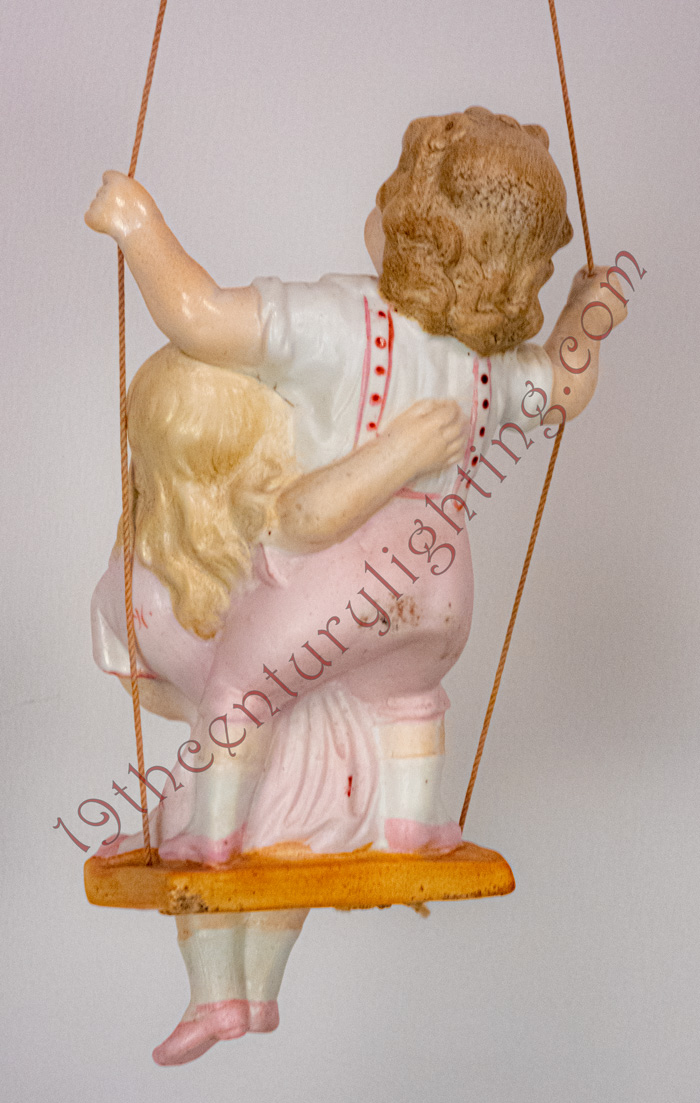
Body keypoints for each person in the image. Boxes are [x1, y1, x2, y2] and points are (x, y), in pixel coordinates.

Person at [86, 105, 627, 1063]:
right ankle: (413, 821)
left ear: (409, 226)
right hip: (441, 591)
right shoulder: (489, 365)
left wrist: (140, 227)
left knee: (243, 691)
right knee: (409, 696)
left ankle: (212, 839)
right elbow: (569, 385)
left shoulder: (344, 321)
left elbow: (197, 316)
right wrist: (592, 310)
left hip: (338, 580)